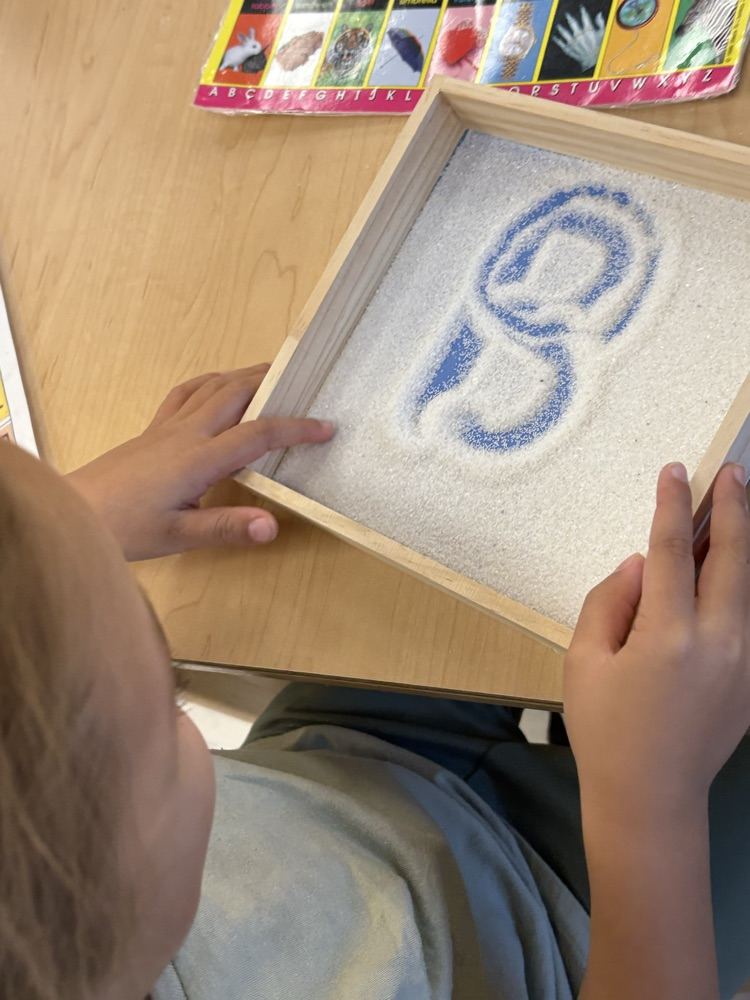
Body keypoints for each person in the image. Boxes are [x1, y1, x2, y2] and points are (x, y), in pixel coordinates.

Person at [1, 365, 748, 1000]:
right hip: (580, 918)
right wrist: (651, 805)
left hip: (343, 770)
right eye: (167, 707)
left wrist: (64, 531)